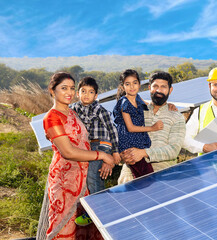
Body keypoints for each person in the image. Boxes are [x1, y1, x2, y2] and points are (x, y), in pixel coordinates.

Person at [36, 72, 114, 240]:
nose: (69, 92)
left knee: (87, 229)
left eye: (72, 88)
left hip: (84, 180)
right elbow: (68, 152)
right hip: (65, 183)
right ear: (52, 90)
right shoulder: (52, 117)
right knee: (65, 228)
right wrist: (102, 155)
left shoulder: (73, 113)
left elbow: (98, 135)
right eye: (64, 88)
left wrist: (106, 156)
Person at [118, 71, 186, 184]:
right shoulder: (136, 112)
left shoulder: (176, 117)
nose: (159, 90)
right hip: (129, 176)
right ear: (149, 88)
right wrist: (123, 155)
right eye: (155, 86)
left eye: (163, 87)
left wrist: (143, 153)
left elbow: (174, 150)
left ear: (170, 90)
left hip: (163, 176)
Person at [70, 76, 121, 226]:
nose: (86, 95)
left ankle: (99, 210)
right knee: (87, 176)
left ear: (96, 96)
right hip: (87, 146)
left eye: (91, 92)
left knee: (93, 175)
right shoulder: (73, 109)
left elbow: (113, 130)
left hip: (101, 145)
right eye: (83, 91)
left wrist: (115, 152)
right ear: (77, 94)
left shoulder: (100, 110)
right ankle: (99, 206)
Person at [113, 69, 163, 179]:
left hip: (137, 142)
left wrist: (168, 105)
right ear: (122, 87)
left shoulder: (137, 98)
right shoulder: (124, 103)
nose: (132, 87)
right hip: (129, 145)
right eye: (127, 84)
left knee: (143, 175)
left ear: (139, 84)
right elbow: (130, 128)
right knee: (146, 175)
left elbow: (150, 106)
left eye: (134, 83)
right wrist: (152, 128)